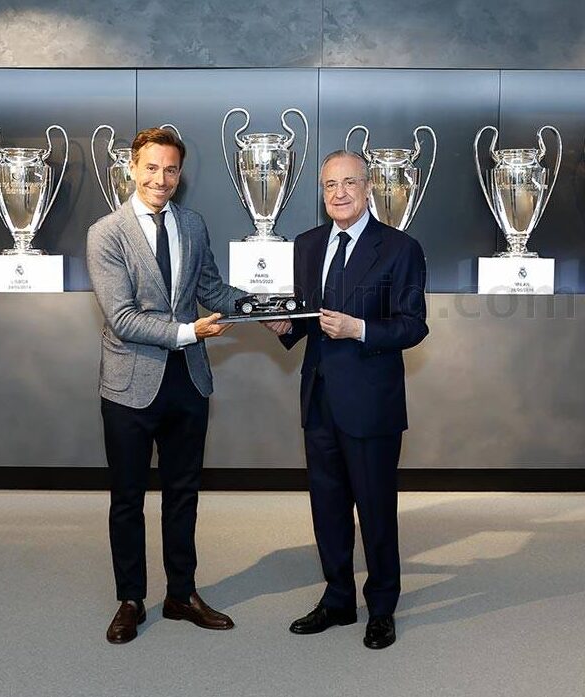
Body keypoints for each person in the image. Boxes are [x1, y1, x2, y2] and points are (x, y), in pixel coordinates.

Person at [86, 127, 246, 644]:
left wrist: (267, 310)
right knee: (127, 499)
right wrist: (189, 332)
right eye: (152, 168)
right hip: (130, 384)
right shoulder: (106, 234)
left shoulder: (193, 225)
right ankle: (130, 600)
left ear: (180, 174)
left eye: (171, 169)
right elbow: (122, 318)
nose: (161, 178)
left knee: (183, 494)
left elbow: (211, 289)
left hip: (188, 382)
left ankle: (181, 594)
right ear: (132, 168)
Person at [264, 150, 428, 650]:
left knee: (376, 511)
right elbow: (309, 316)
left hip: (371, 404)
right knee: (328, 508)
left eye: (349, 183)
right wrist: (286, 326)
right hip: (318, 399)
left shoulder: (400, 248)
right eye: (330, 185)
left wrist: (359, 329)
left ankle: (381, 608)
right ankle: (337, 599)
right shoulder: (308, 244)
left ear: (368, 186)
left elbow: (413, 325)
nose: (339, 193)